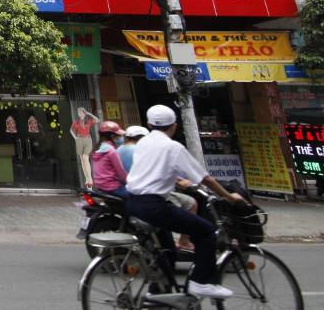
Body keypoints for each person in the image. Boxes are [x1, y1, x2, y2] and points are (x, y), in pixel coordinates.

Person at [126, 105, 247, 300]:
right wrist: (228, 196)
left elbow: (153, 170)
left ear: (148, 124)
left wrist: (176, 181)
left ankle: (158, 295)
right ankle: (200, 282)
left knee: (167, 251)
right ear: (174, 126)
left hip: (133, 203)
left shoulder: (143, 143)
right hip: (153, 206)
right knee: (207, 232)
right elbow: (204, 178)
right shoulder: (173, 147)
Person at [90, 121, 129, 198]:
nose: (121, 138)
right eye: (118, 136)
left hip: (100, 185)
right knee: (136, 197)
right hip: (112, 186)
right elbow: (121, 172)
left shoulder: (98, 149)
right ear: (111, 136)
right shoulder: (111, 151)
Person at [71, 107, 100, 187]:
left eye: (82, 112)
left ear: (84, 113)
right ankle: (87, 178)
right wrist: (75, 138)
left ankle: (90, 178)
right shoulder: (76, 122)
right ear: (78, 113)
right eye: (80, 112)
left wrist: (89, 113)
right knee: (82, 160)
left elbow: (98, 120)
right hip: (79, 140)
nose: (81, 114)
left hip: (88, 140)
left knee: (85, 157)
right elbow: (71, 130)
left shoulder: (89, 121)